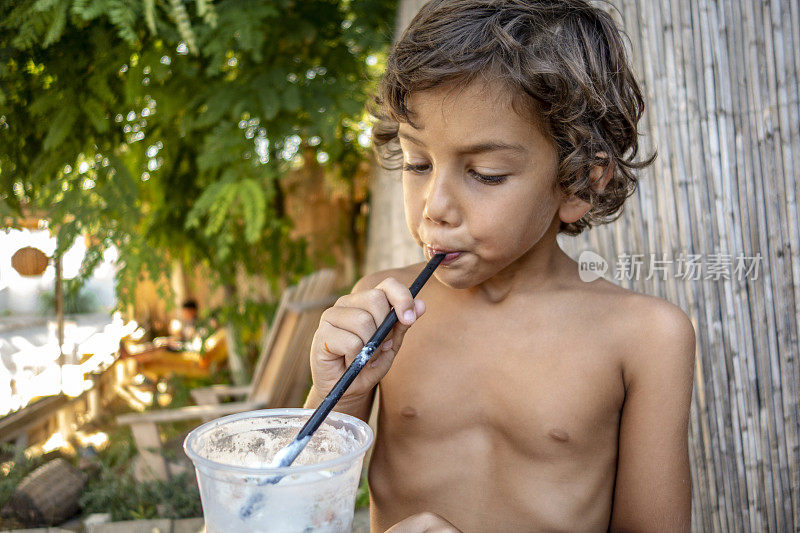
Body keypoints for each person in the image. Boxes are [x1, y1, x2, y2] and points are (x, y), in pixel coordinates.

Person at [304, 1, 695, 531]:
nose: (433, 207)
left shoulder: (644, 337)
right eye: (418, 163)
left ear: (580, 182)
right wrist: (341, 390)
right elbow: (297, 510)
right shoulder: (382, 310)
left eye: (486, 174)